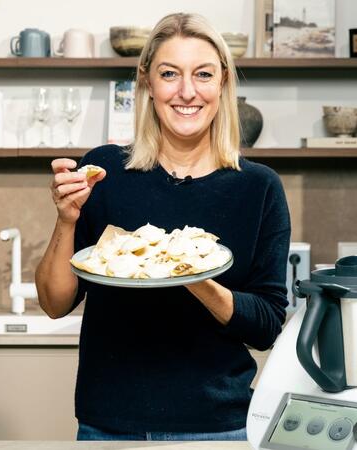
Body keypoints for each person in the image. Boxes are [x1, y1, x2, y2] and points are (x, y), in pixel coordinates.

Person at [35, 12, 290, 441]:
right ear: (147, 83)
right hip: (109, 424)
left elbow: (266, 325)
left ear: (223, 83)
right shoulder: (105, 172)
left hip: (217, 428)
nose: (187, 92)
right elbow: (53, 302)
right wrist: (66, 220)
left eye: (203, 74)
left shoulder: (258, 187)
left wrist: (187, 271)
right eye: (169, 74)